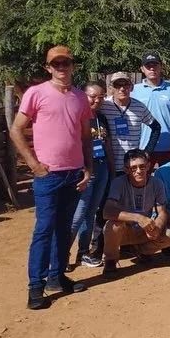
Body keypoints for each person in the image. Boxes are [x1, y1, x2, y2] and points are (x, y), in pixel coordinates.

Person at [10, 45, 92, 309]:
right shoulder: (36, 93)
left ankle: (57, 276)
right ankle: (36, 285)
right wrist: (33, 164)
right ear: (48, 68)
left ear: (72, 66)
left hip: (74, 174)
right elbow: (16, 130)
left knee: (63, 228)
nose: (61, 68)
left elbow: (85, 136)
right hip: (48, 175)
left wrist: (88, 168)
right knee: (44, 229)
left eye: (65, 63)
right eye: (56, 64)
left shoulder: (80, 98)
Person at [101, 150, 170, 279]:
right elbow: (107, 211)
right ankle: (110, 260)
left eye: (142, 166)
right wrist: (138, 218)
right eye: (133, 168)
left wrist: (158, 226)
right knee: (113, 225)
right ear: (126, 169)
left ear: (148, 166)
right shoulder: (118, 183)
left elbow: (162, 212)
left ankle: (142, 251)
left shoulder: (156, 183)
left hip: (145, 230)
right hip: (126, 230)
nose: (139, 171)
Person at [68, 80, 113, 270]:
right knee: (78, 214)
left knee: (91, 213)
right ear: (83, 96)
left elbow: (107, 144)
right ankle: (62, 255)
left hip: (102, 167)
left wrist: (111, 169)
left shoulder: (101, 118)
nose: (97, 100)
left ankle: (83, 252)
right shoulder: (78, 118)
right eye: (92, 96)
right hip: (86, 169)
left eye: (101, 96)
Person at [133, 52, 170, 166]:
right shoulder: (134, 91)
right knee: (143, 179)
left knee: (169, 179)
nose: (152, 69)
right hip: (144, 144)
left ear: (161, 67)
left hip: (168, 144)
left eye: (155, 65)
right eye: (148, 66)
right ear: (142, 69)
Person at [100, 71, 160, 171]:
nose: (122, 89)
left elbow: (156, 127)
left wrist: (147, 151)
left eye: (126, 85)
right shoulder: (104, 106)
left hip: (131, 166)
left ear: (131, 87)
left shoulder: (139, 107)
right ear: (111, 88)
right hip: (108, 165)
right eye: (117, 85)